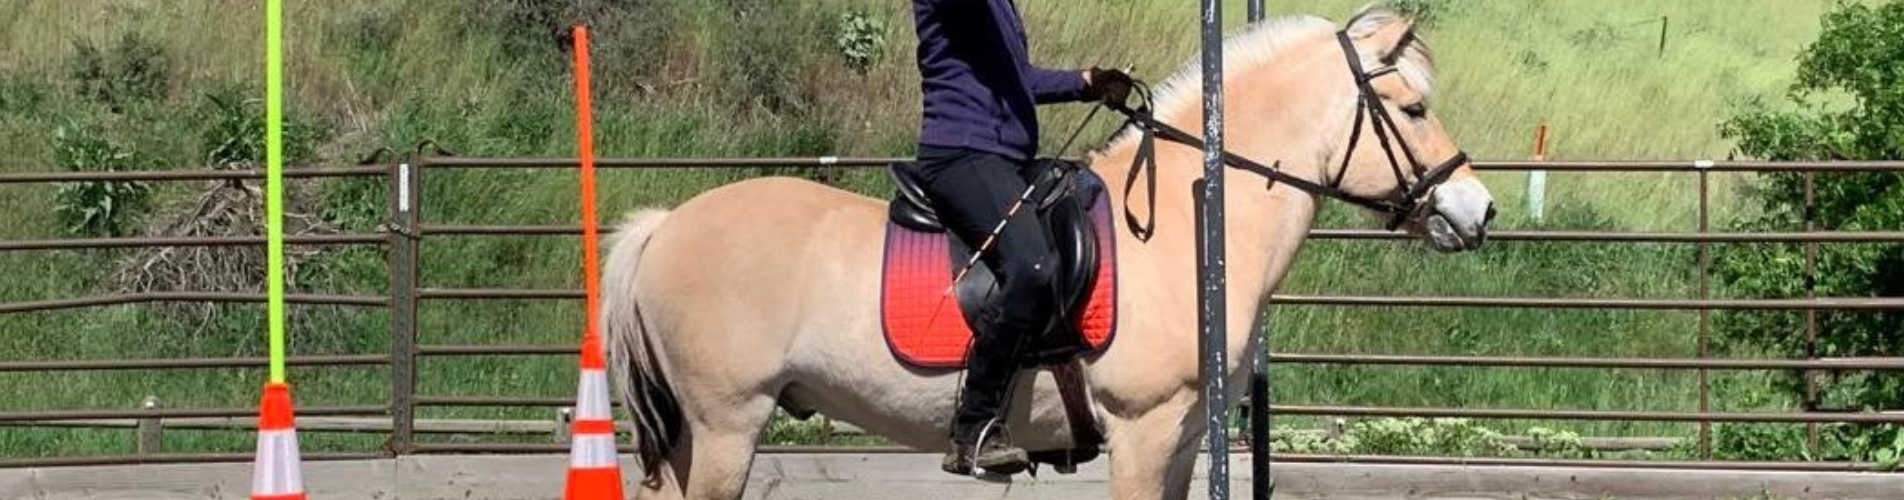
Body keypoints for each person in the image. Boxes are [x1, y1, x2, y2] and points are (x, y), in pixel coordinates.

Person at [909, 0, 1132, 477]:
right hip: (962, 153)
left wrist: (1086, 81)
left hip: (1002, 158)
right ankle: (974, 428)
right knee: (1032, 267)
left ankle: (1051, 416)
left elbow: (1019, 79)